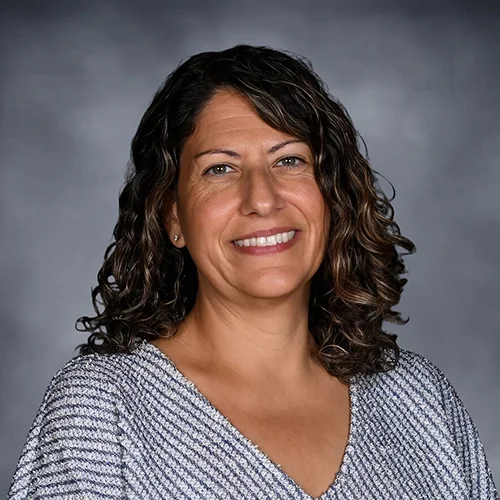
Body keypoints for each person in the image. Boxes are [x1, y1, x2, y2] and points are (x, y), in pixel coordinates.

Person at [8, 44, 498, 500]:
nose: (261, 199)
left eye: (289, 160)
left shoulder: (419, 400)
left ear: (332, 198)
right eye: (220, 169)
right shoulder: (101, 413)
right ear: (173, 215)